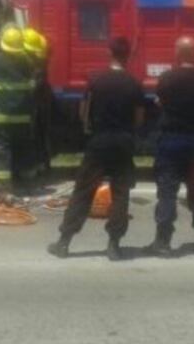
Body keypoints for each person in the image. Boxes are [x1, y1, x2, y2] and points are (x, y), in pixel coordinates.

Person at [47, 37, 145, 261]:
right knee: (120, 194)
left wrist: (90, 128)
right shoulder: (134, 83)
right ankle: (114, 245)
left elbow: (84, 113)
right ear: (128, 55)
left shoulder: (96, 80)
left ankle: (64, 243)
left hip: (99, 142)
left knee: (83, 191)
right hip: (123, 142)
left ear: (110, 53)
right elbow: (139, 118)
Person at [146, 36, 194, 258]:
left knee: (167, 192)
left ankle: (163, 242)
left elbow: (160, 101)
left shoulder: (167, 78)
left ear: (178, 53)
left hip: (171, 140)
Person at [0, 26, 34, 197]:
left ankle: (4, 188)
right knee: (21, 148)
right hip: (21, 116)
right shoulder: (26, 62)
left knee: (1, 149)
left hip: (0, 116)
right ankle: (25, 184)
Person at [23, 27, 52, 177]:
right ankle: (42, 164)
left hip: (35, 105)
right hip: (42, 103)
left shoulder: (34, 64)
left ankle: (36, 166)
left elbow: (33, 86)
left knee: (34, 136)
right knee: (40, 136)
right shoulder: (40, 58)